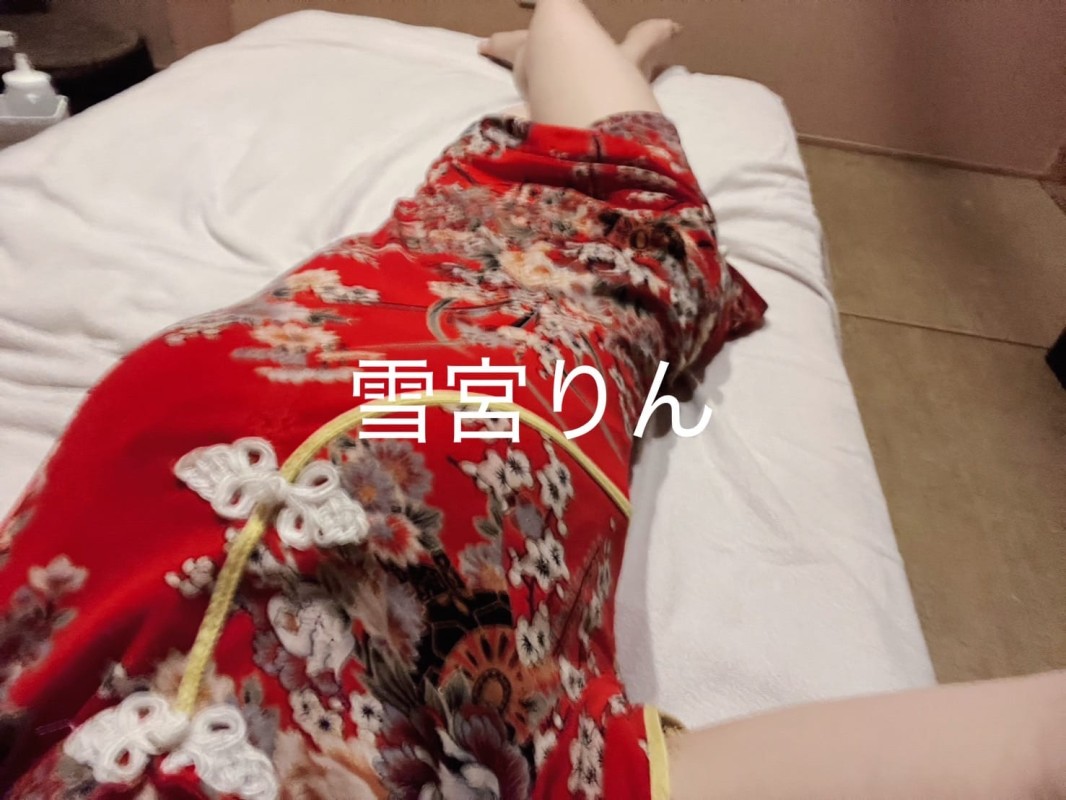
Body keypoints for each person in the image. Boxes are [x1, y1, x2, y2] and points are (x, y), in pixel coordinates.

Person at [0, 0, 1062, 798]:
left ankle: (564, 31)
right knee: (628, 210)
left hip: (385, 368)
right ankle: (580, 48)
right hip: (315, 375)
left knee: (620, 205)